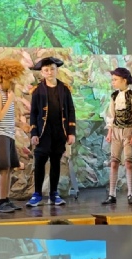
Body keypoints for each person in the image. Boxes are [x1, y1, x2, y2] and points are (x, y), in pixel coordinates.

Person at [27, 57, 76, 207]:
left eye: (52, 69)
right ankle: (37, 194)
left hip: (59, 132)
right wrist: (34, 133)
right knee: (40, 162)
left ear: (56, 70)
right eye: (46, 70)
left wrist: (71, 132)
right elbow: (34, 113)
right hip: (43, 132)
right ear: (42, 72)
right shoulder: (37, 90)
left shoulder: (64, 89)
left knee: (56, 162)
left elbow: (71, 110)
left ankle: (54, 193)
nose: (49, 72)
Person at [0, 58, 26, 213]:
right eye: (10, 79)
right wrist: (10, 100)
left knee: (9, 168)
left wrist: (20, 125)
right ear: (1, 78)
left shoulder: (6, 93)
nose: (12, 82)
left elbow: (7, 117)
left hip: (8, 134)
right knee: (3, 168)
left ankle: (7, 199)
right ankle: (1, 201)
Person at [103, 68, 132, 206]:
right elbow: (111, 115)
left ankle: (130, 193)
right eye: (112, 80)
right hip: (116, 132)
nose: (113, 82)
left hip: (128, 131)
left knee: (129, 163)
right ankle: (112, 194)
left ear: (124, 80)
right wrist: (109, 132)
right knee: (114, 162)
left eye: (115, 79)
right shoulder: (114, 96)